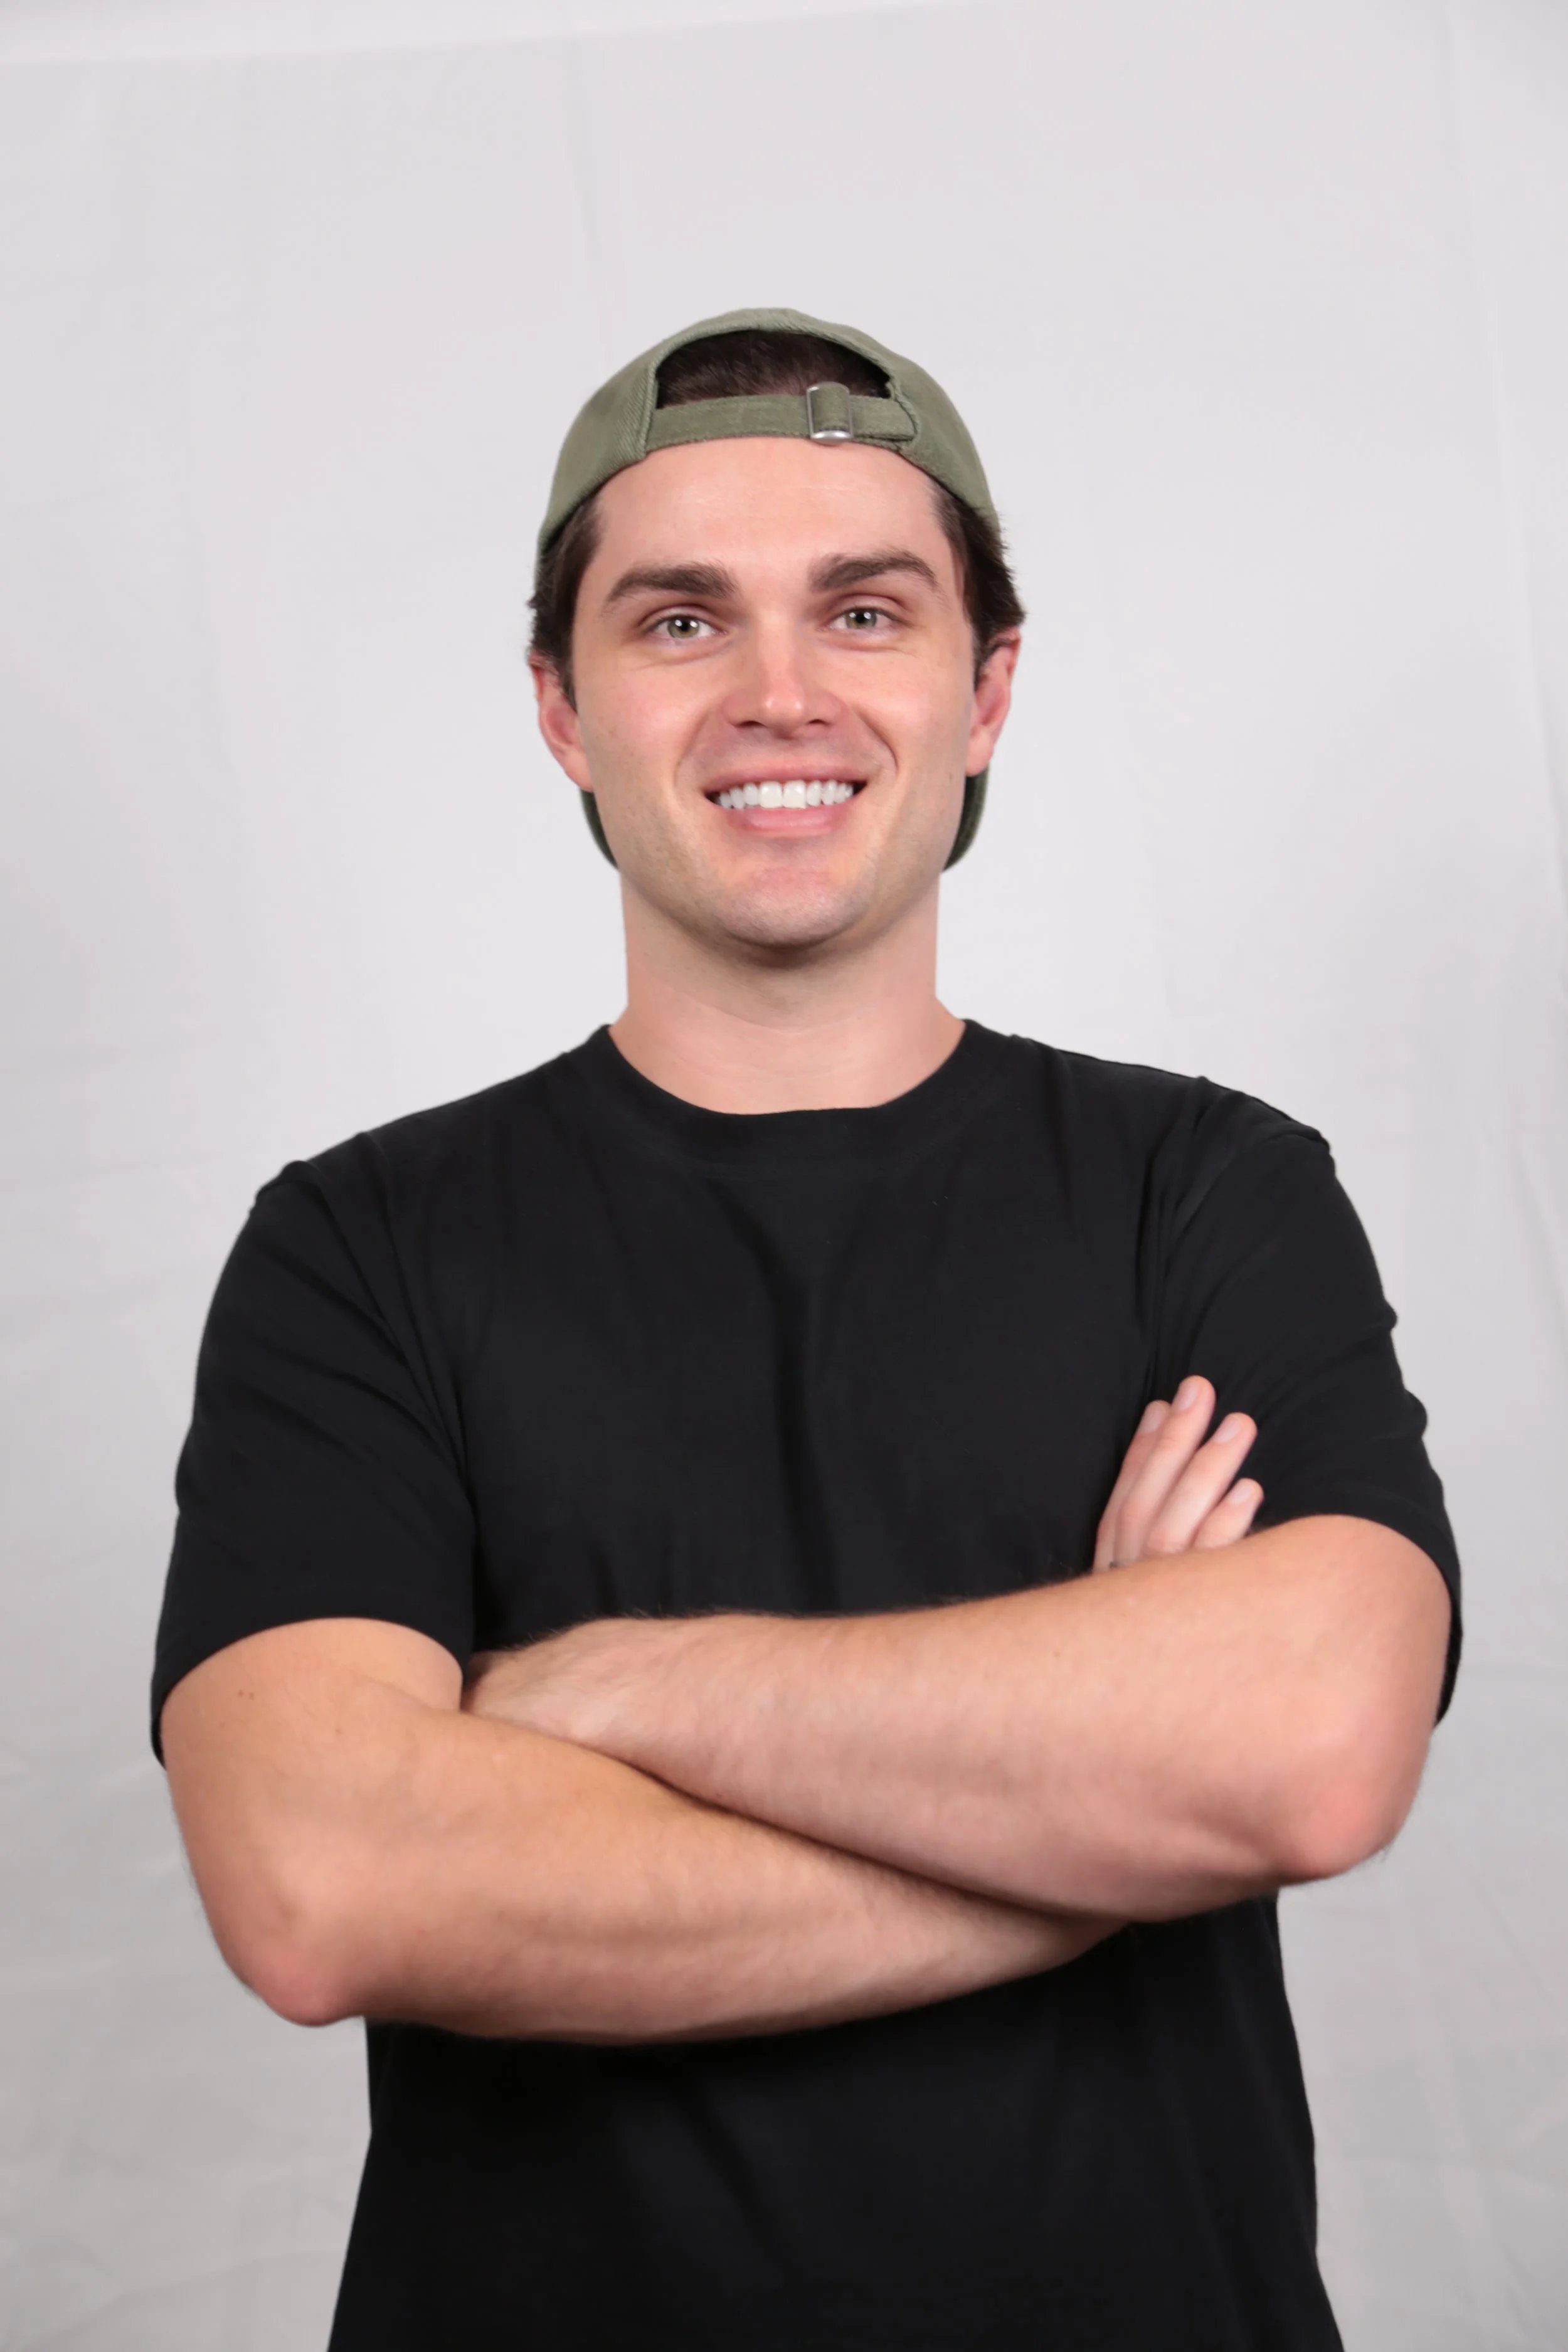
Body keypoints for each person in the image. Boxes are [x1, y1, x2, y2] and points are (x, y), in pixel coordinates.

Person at [154, 307, 1459, 2352]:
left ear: (985, 688)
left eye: (866, 609)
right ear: (561, 709)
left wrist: (587, 1691)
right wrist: (1100, 1806)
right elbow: (328, 1879)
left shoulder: (1206, 1187)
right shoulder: (360, 1246)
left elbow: (1301, 1747)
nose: (781, 693)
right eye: (679, 623)